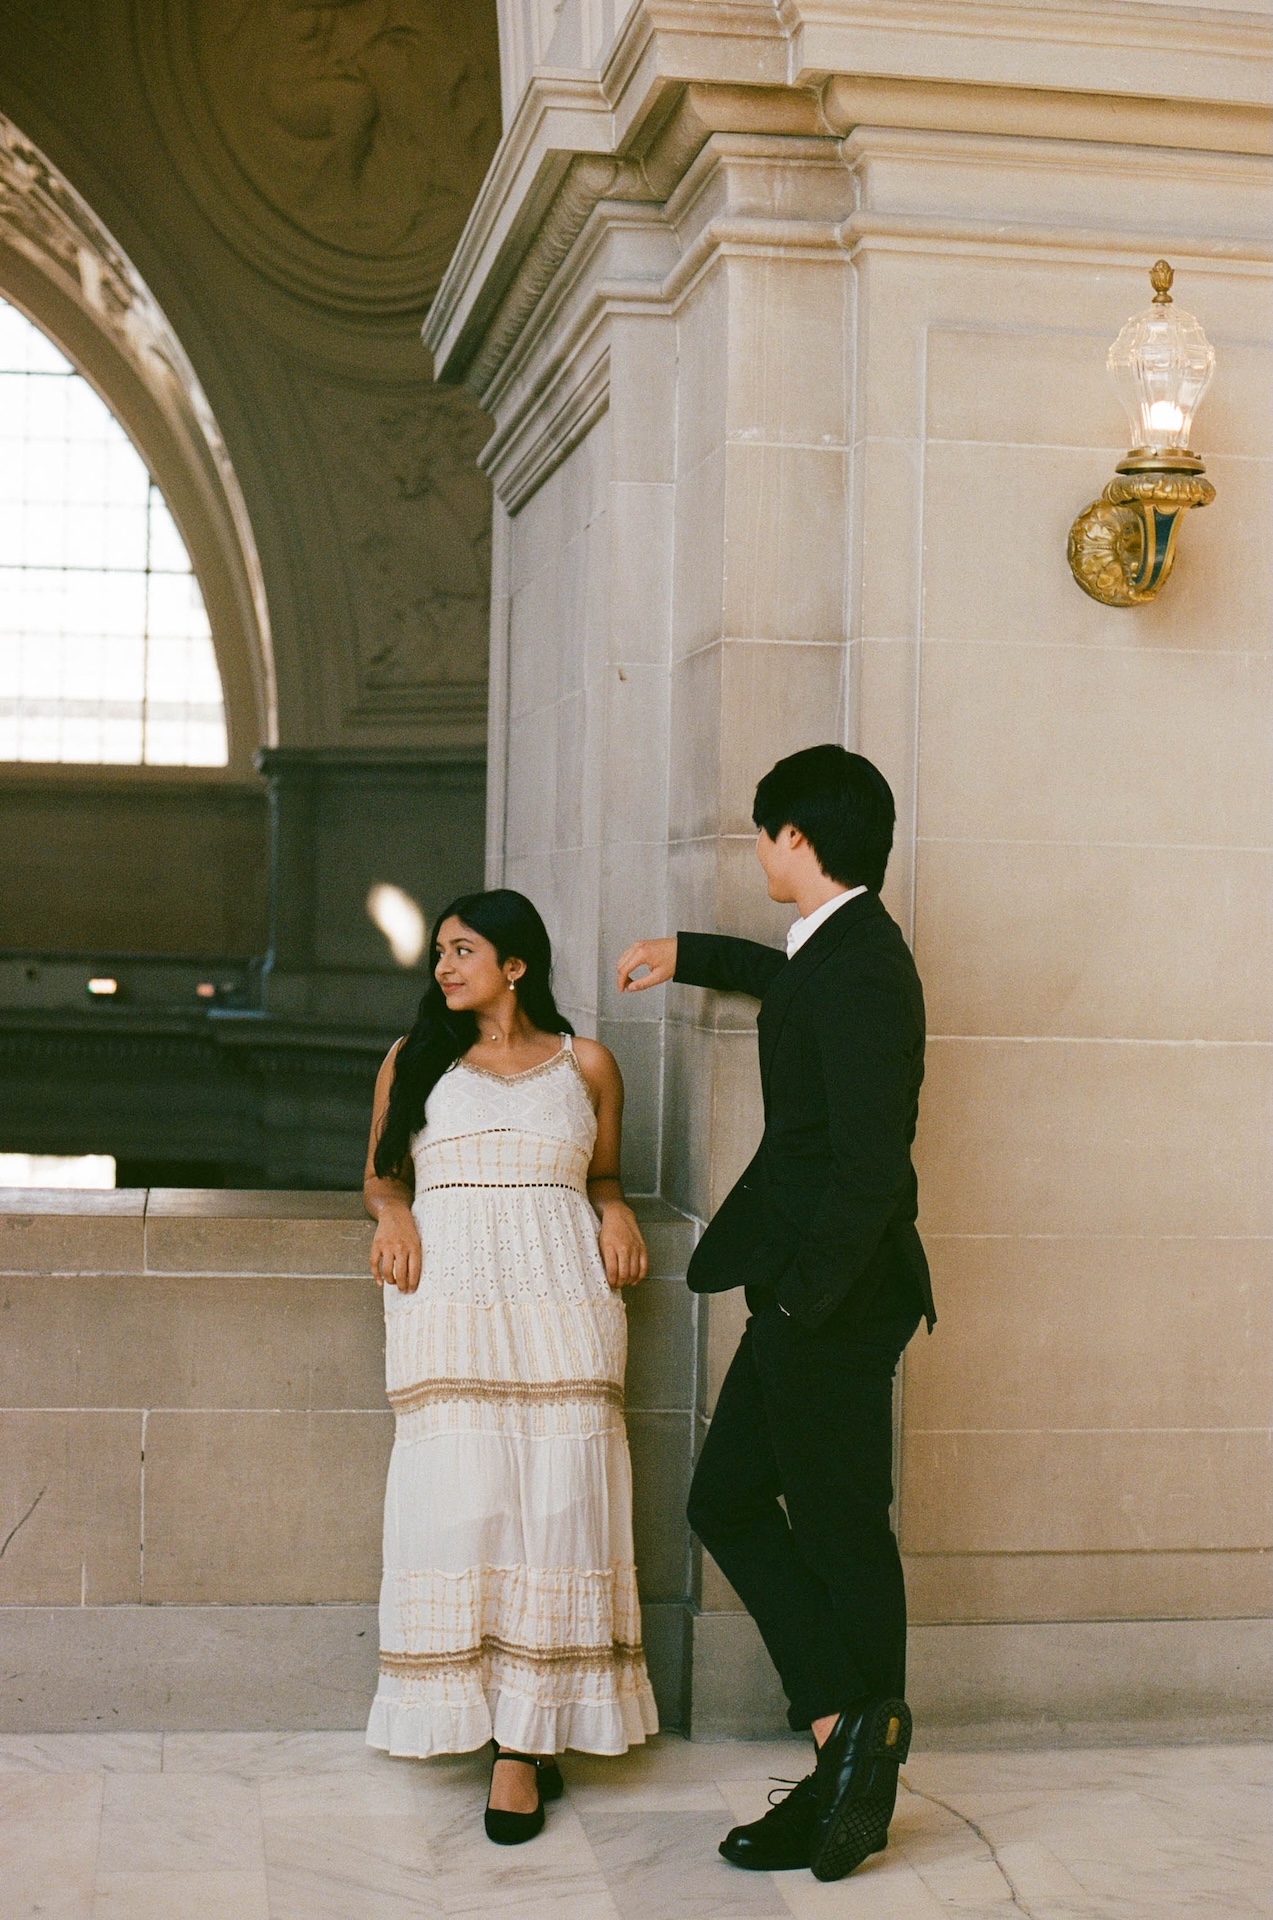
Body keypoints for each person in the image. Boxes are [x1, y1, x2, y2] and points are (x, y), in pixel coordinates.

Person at [616, 745, 935, 1885]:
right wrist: (686, 954)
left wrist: (801, 1297)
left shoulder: (862, 970)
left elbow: (870, 1168)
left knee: (841, 1527)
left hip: (830, 1300)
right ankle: (846, 1743)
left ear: (794, 841)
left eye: (761, 834)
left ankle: (859, 1756)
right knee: (732, 1500)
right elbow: (786, 976)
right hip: (817, 1295)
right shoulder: (838, 948)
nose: (756, 851)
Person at [364, 888, 658, 1845]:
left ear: (515, 965)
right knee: (464, 1498)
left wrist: (612, 1208)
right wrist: (394, 1213)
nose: (444, 967)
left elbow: (602, 1173)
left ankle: (526, 1748)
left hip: (563, 1298)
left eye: (462, 950)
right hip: (446, 1299)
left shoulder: (588, 1065)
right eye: (441, 952)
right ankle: (466, 1713)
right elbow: (378, 1173)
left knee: (560, 1502)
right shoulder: (414, 1060)